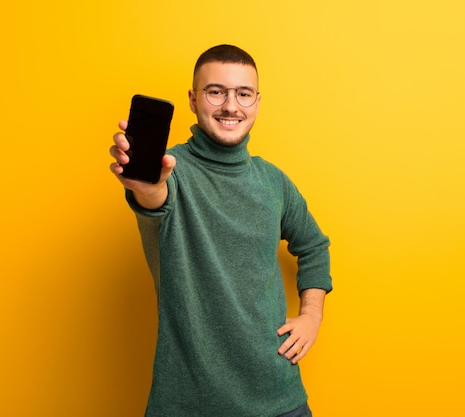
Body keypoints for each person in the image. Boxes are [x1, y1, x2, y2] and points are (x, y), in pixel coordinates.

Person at [109, 44, 332, 417]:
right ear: (194, 100)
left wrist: (312, 316)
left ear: (257, 103)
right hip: (188, 404)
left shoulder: (273, 182)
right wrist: (147, 189)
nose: (231, 106)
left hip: (279, 400)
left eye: (243, 94)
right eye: (216, 92)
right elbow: (156, 198)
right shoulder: (172, 171)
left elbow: (314, 246)